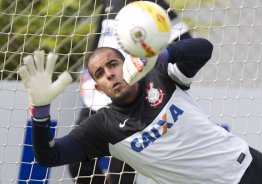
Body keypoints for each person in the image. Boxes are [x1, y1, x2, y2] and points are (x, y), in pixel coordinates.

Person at [19, 35, 262, 184]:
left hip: (249, 164)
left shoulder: (160, 76)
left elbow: (204, 49)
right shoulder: (102, 127)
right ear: (98, 88)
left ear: (127, 64)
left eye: (113, 64)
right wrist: (40, 111)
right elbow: (48, 157)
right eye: (100, 73)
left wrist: (161, 55)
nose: (109, 74)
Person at [71, 0, 193, 183]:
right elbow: (99, 43)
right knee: (78, 164)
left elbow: (186, 41)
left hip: (133, 102)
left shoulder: (154, 6)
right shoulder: (110, 3)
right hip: (99, 98)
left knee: (121, 173)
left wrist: (151, 70)